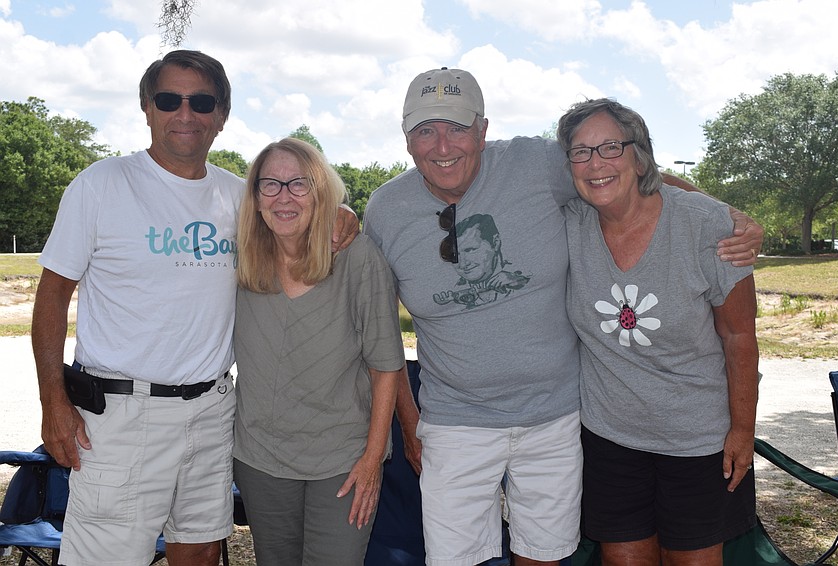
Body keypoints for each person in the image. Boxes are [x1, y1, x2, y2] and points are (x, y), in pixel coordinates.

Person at [362, 67, 763, 566]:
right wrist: (411, 421)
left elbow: (627, 175)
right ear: (405, 139)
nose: (442, 144)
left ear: (483, 130)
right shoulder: (384, 211)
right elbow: (378, 332)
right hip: (457, 422)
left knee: (545, 555)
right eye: (425, 129)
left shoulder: (533, 163)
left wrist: (726, 215)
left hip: (557, 418)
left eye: (458, 127)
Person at [30, 50, 357, 566]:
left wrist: (341, 211)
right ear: (147, 107)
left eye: (201, 102)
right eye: (169, 99)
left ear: (221, 115)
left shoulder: (237, 198)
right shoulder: (101, 185)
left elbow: (295, 209)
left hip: (212, 410)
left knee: (201, 549)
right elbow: (51, 297)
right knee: (107, 558)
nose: (185, 114)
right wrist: (53, 400)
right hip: (121, 414)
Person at [556, 98, 758, 565]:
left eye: (610, 147)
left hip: (699, 441)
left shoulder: (706, 226)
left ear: (640, 154)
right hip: (609, 438)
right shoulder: (568, 223)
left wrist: (743, 429)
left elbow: (739, 337)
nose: (595, 164)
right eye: (581, 153)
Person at [231, 137, 405, 565]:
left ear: (321, 191)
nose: (284, 196)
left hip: (342, 462)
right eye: (270, 185)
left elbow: (386, 364)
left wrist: (371, 460)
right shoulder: (238, 258)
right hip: (261, 459)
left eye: (300, 184)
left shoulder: (357, 257)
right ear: (254, 198)